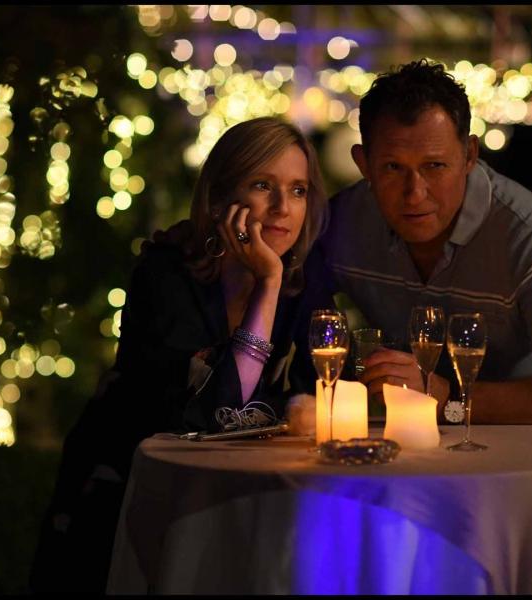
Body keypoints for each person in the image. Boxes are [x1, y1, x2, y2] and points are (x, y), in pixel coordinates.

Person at [30, 117, 333, 593]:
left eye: (298, 190)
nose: (282, 207)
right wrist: (267, 285)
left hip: (244, 496)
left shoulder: (304, 280)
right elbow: (217, 414)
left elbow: (320, 395)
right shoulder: (166, 274)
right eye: (262, 185)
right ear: (219, 198)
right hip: (136, 493)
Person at [315, 59, 532, 428]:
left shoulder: (525, 234)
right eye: (393, 168)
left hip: (524, 444)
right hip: (404, 440)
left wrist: (445, 398)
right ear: (364, 164)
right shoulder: (343, 222)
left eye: (434, 166)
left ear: (470, 156)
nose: (415, 194)